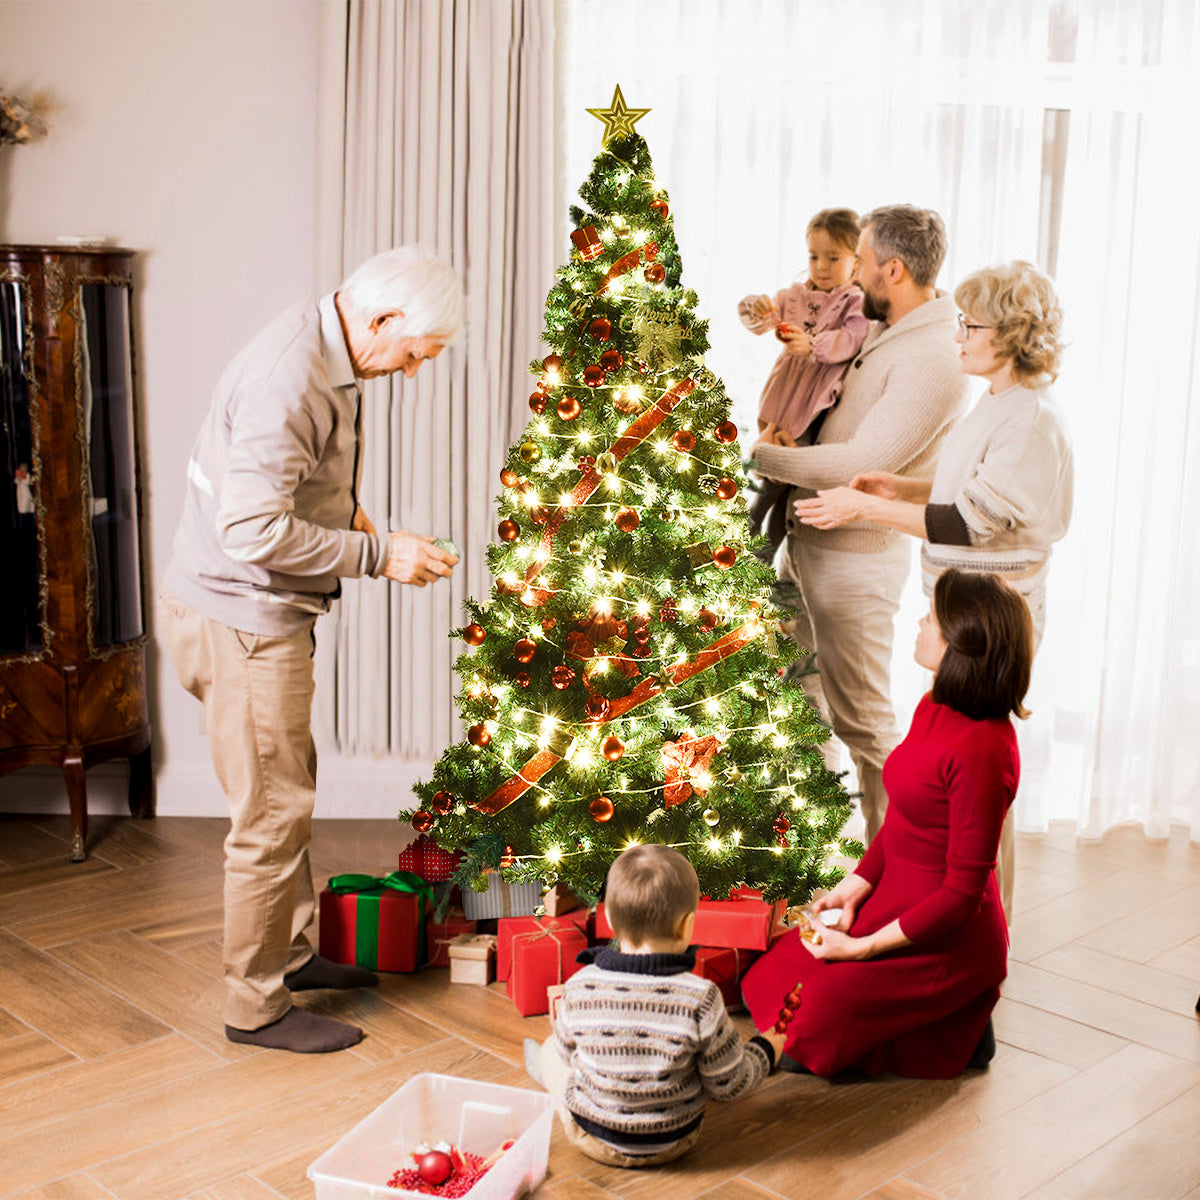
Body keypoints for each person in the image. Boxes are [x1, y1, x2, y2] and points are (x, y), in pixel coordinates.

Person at [158, 247, 464, 1054]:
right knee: (269, 814)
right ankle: (255, 1007)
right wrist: (378, 554)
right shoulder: (290, 376)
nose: (411, 369)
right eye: (412, 351)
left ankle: (290, 960)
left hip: (244, 613)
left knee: (283, 791)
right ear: (382, 320)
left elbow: (278, 478)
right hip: (243, 624)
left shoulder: (322, 343)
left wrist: (350, 514)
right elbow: (251, 528)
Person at [793, 259, 1072, 913]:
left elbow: (967, 522)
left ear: (1008, 334)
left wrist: (862, 509)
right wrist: (902, 488)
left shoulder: (1030, 421)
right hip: (965, 606)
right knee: (956, 763)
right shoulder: (997, 403)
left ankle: (982, 916)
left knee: (978, 771)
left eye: (971, 326)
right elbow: (964, 490)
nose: (959, 336)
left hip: (994, 616)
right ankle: (951, 902)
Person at [740, 570, 1033, 1079]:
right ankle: (935, 1023)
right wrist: (854, 886)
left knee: (816, 1016)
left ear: (961, 644)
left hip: (946, 932)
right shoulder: (934, 704)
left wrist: (862, 948)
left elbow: (962, 894)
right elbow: (901, 818)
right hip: (895, 895)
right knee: (774, 975)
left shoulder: (984, 752)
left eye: (934, 620)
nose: (921, 623)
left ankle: (958, 1022)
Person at [751, 205, 969, 843]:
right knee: (804, 701)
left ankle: (897, 864)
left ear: (892, 270)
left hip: (855, 563)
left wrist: (757, 452)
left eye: (863, 265)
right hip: (811, 540)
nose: (850, 280)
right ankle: (821, 844)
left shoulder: (931, 357)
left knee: (865, 723)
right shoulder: (884, 326)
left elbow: (862, 462)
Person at [524, 844, 785, 1168]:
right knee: (702, 1058)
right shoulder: (701, 996)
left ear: (608, 917)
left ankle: (545, 1075)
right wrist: (766, 1048)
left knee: (552, 1050)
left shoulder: (580, 985)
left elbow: (567, 1054)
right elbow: (731, 1083)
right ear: (687, 925)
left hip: (592, 1137)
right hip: (675, 1140)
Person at [738, 207, 870, 561]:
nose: (821, 267)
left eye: (833, 258)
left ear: (856, 262)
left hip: (812, 404)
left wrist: (813, 346)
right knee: (770, 481)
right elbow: (759, 318)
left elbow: (854, 337)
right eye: (814, 257)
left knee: (785, 489)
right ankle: (745, 557)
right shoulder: (795, 295)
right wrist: (760, 308)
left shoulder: (853, 300)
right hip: (784, 394)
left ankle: (759, 560)